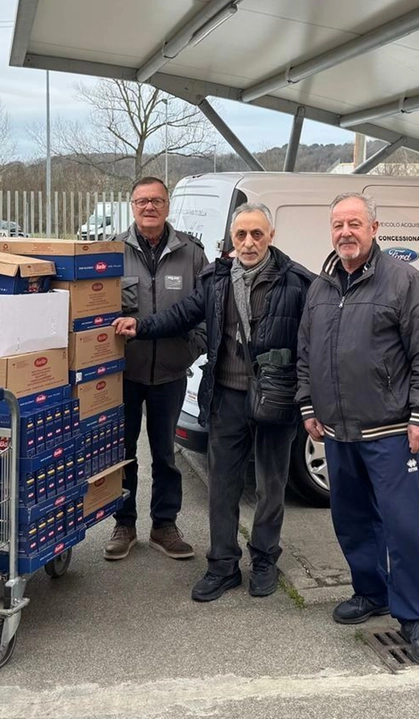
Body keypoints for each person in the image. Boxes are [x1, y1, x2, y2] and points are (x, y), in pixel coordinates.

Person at [114, 203, 314, 601]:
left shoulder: (298, 282)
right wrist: (141, 326)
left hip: (276, 399)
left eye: (257, 234)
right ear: (231, 240)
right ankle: (223, 564)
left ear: (271, 236)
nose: (249, 242)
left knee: (272, 485)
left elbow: (313, 345)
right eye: (241, 235)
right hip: (226, 397)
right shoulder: (216, 278)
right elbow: (183, 314)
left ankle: (264, 560)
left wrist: (310, 400)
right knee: (223, 485)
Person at [295, 192, 419, 668]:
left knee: (402, 526)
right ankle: (371, 592)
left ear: (374, 228)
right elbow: (306, 353)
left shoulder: (404, 282)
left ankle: (417, 616)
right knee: (352, 521)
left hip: (391, 432)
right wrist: (308, 406)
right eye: (338, 224)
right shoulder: (320, 288)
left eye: (355, 224)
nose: (346, 232)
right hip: (338, 432)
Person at [105, 176, 209, 562]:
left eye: (157, 201)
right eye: (142, 201)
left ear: (168, 206)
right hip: (124, 374)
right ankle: (125, 522)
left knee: (166, 454)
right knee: (123, 451)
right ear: (131, 205)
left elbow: (206, 308)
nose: (149, 207)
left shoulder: (191, 253)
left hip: (170, 372)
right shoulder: (112, 251)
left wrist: (190, 349)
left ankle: (165, 525)